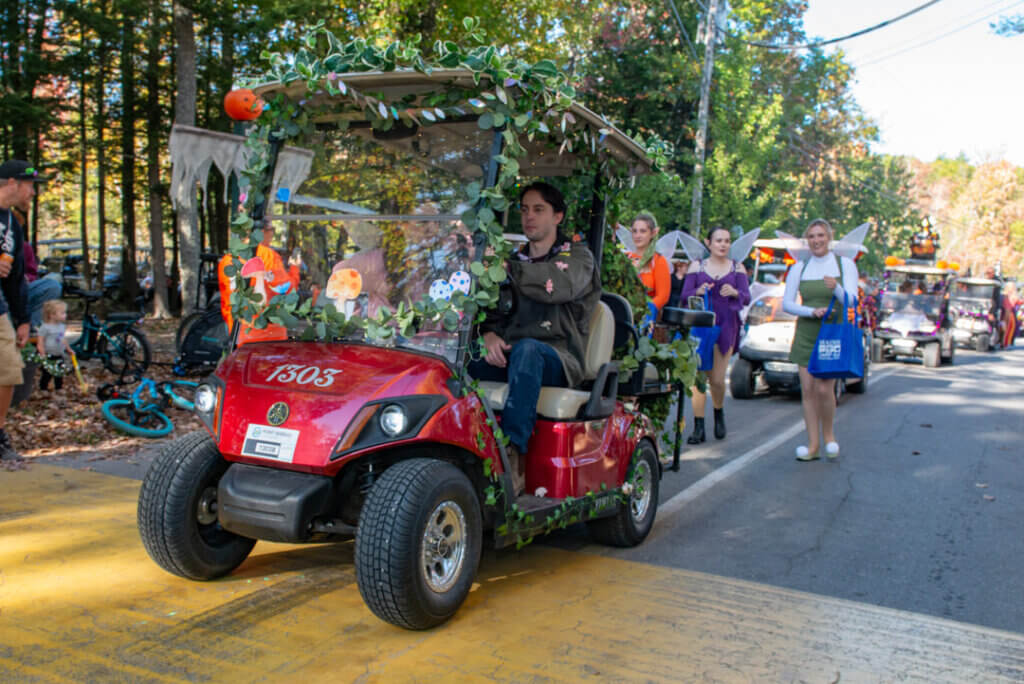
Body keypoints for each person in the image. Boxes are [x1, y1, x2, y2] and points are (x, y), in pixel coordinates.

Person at [470, 182, 601, 493]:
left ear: (558, 216)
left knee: (529, 351)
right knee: (460, 360)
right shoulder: (515, 260)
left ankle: (514, 456)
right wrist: (488, 333)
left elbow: (557, 283)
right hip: (516, 355)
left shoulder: (577, 258)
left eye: (539, 209)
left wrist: (507, 269)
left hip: (560, 357)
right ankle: (462, 448)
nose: (529, 217)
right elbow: (494, 312)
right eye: (525, 209)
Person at [782, 218, 859, 461]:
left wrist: (836, 288)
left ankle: (829, 437)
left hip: (833, 333)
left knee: (826, 389)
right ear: (808, 241)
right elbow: (787, 303)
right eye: (812, 236)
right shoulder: (799, 268)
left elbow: (853, 300)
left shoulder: (844, 265)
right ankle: (813, 445)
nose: (817, 240)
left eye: (821, 235)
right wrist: (810, 312)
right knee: (808, 389)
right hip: (807, 331)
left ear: (829, 237)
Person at [681, 226, 751, 443]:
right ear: (708, 242)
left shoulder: (737, 268)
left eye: (727, 241)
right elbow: (684, 295)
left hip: (726, 326)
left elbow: (746, 297)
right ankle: (699, 427)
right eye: (719, 240)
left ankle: (719, 413)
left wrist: (734, 292)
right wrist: (698, 291)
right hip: (701, 327)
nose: (723, 244)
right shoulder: (697, 266)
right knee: (699, 377)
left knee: (718, 380)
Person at [0, 159, 44, 460]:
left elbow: (16, 277)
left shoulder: (12, 223)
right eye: (30, 186)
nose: (33, 193)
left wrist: (23, 318)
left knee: (9, 372)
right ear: (13, 183)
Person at [626, 213, 671, 312]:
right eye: (634, 231)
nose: (637, 235)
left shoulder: (658, 260)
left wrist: (643, 310)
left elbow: (663, 296)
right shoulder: (625, 257)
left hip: (645, 314)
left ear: (653, 233)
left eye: (643, 231)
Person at [36, 299, 71, 391]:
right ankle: (43, 388)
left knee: (59, 373)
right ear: (52, 315)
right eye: (62, 313)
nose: (65, 315)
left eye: (65, 312)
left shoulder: (62, 326)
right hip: (48, 354)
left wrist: (68, 349)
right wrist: (42, 353)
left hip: (59, 354)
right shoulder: (45, 327)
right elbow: (40, 341)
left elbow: (62, 339)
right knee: (47, 373)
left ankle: (58, 388)